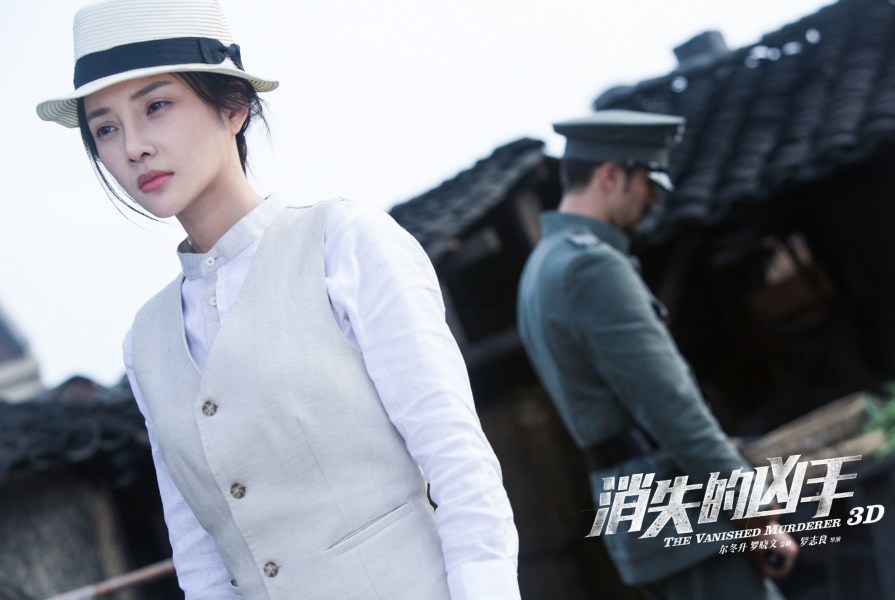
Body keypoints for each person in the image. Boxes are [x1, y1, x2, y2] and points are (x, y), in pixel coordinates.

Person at [36, 1, 520, 598]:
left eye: (156, 106)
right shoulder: (147, 339)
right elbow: (200, 559)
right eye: (106, 129)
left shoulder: (342, 243)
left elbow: (460, 465)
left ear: (233, 106)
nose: (133, 146)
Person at [516, 110, 798, 599]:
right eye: (648, 182)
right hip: (683, 516)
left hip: (642, 516)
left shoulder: (539, 270)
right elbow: (669, 405)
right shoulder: (590, 266)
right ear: (610, 176)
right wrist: (751, 506)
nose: (654, 199)